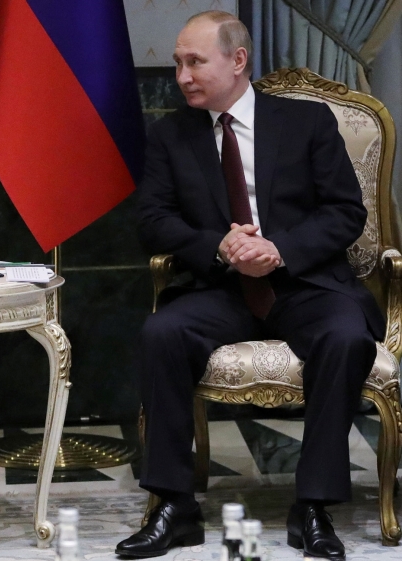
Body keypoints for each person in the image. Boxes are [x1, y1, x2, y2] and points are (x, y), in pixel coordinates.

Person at [116, 11, 383, 561]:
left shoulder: (306, 121)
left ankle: (313, 507)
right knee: (162, 333)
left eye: (195, 62)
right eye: (178, 64)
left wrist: (277, 250)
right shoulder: (171, 134)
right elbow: (153, 220)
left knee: (345, 337)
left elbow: (344, 212)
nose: (182, 76)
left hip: (305, 283)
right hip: (221, 287)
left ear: (238, 60)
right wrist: (222, 247)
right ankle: (173, 506)